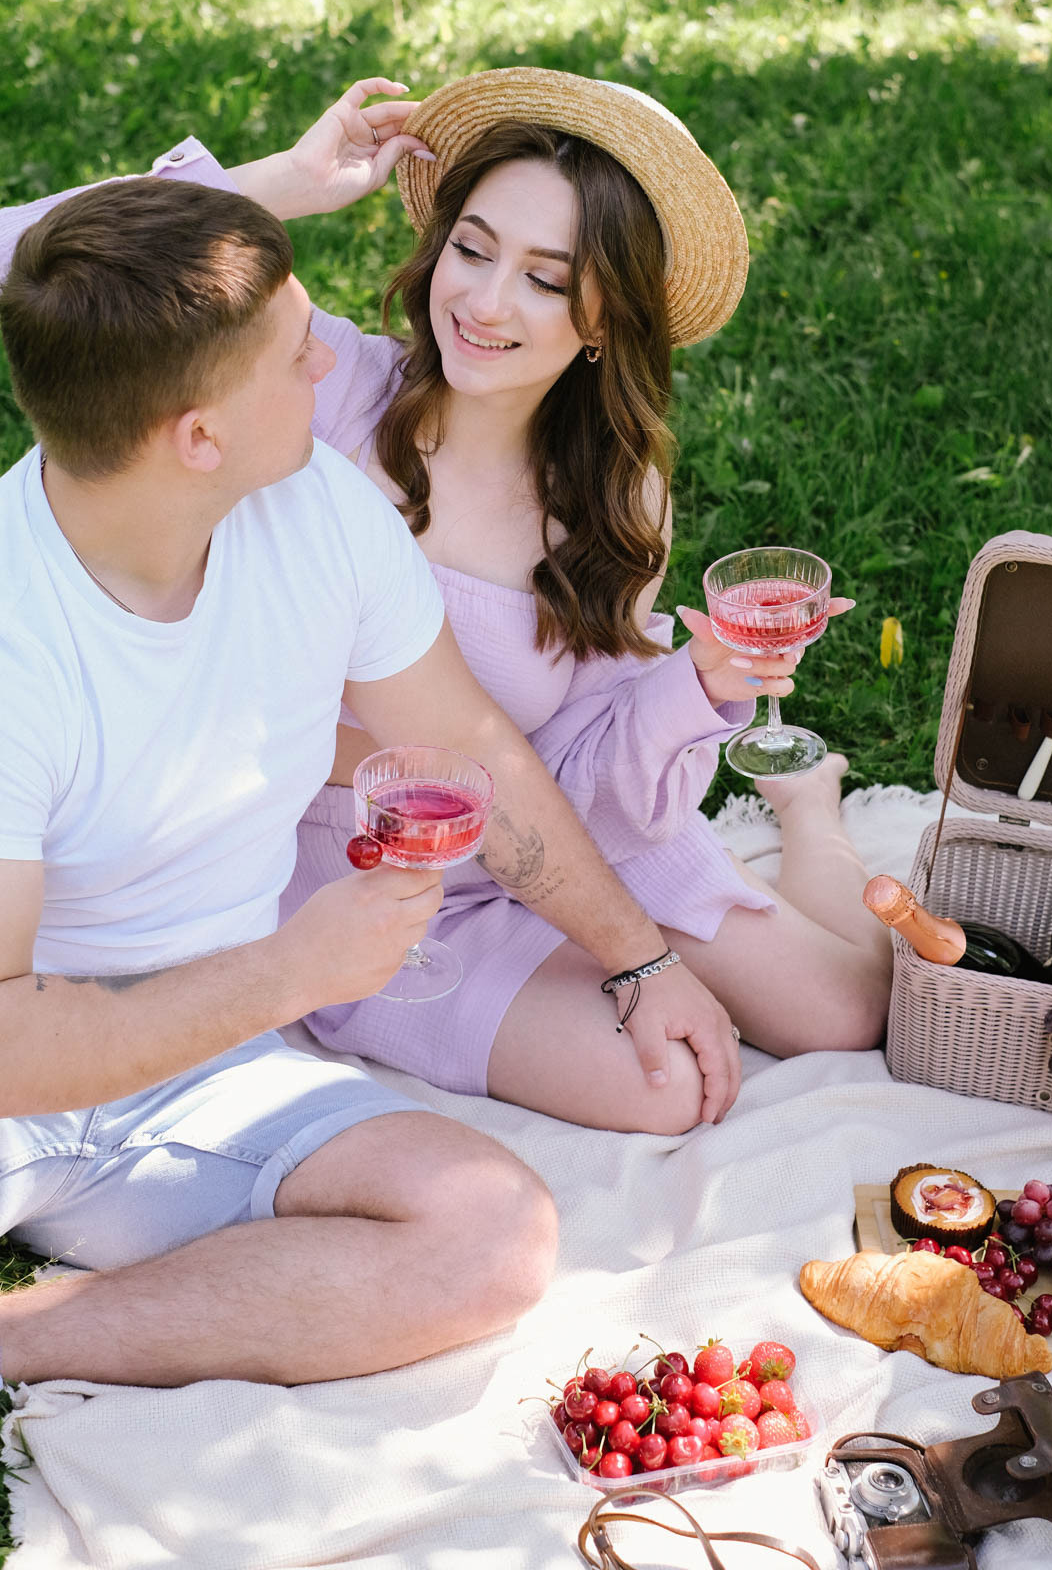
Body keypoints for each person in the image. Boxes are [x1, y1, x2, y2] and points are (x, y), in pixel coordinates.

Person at [0, 161, 738, 1391]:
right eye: (295, 354)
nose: (333, 368)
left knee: (494, 1235)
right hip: (32, 1063)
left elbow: (477, 757)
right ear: (198, 438)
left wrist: (637, 955)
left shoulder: (324, 512)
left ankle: (29, 1338)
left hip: (203, 1074)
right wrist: (294, 969)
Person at [226, 70, 895, 1133]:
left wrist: (700, 678)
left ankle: (811, 813)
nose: (485, 304)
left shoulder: (615, 493)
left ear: (602, 321)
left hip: (554, 833)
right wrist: (283, 184)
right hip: (348, 870)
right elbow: (74, 263)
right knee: (664, 1087)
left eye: (545, 279)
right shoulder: (323, 392)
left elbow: (579, 769)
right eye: (473, 249)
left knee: (849, 1007)